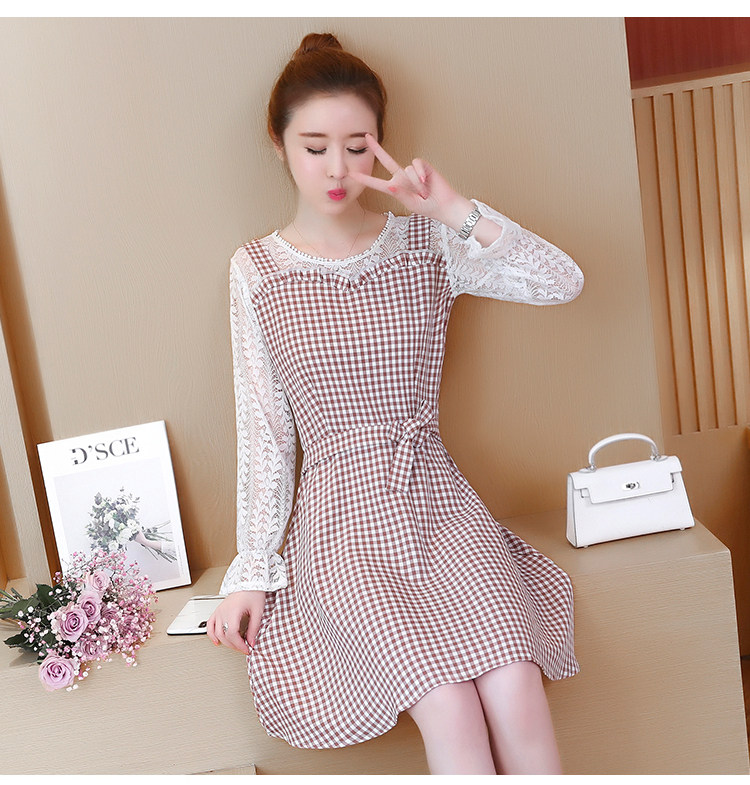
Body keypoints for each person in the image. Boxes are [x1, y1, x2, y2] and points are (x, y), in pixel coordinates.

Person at [207, 32, 583, 775]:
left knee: (516, 687)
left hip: (440, 504)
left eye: (357, 146)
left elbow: (560, 281)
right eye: (315, 147)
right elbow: (266, 431)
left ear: (380, 144)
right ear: (279, 145)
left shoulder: (426, 244)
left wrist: (453, 209)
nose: (336, 168)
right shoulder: (257, 271)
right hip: (341, 527)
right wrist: (251, 570)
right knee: (447, 704)